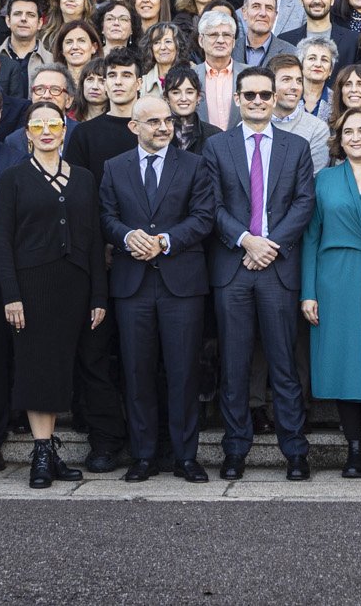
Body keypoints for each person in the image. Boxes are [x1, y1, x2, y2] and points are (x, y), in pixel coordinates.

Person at [205, 65, 316, 480]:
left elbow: (304, 203)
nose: (256, 101)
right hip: (233, 268)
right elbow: (211, 204)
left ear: (275, 99)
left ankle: (295, 451)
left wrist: (268, 245)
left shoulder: (296, 146)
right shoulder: (218, 147)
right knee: (233, 366)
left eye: (263, 95)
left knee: (284, 364)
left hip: (278, 268)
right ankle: (235, 450)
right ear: (237, 99)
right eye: (248, 95)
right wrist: (245, 240)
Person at [0, 101, 109, 488]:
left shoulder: (85, 179)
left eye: (53, 124)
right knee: (36, 366)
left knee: (63, 366)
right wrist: (11, 294)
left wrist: (98, 296)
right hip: (31, 285)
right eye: (37, 124)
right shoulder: (12, 178)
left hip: (74, 285)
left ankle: (53, 452)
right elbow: (2, 242)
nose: (45, 131)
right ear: (26, 133)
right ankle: (41, 452)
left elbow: (93, 240)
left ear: (64, 130)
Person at [100, 96, 218, 482]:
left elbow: (203, 218)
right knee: (137, 373)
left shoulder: (195, 165)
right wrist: (128, 236)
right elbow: (105, 216)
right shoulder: (114, 168)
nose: (164, 127)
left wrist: (165, 240)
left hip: (180, 285)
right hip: (132, 286)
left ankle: (185, 457)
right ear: (134, 127)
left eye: (167, 120)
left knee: (184, 373)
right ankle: (144, 455)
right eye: (153, 122)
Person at [300, 105, 361, 481]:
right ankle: (352, 449)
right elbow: (310, 237)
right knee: (344, 362)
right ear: (339, 141)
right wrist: (308, 292)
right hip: (334, 279)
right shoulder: (323, 180)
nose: (355, 137)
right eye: (347, 132)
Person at [66, 47, 145, 182]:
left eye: (126, 75)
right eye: (112, 75)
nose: (118, 82)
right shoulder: (84, 134)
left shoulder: (153, 129)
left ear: (139, 83)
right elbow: (75, 186)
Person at [267, 53, 331, 173]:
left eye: (299, 81)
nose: (295, 87)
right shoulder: (253, 124)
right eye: (286, 80)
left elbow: (311, 179)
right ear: (269, 84)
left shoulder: (317, 129)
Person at [192, 9, 240, 131]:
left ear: (233, 42)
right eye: (213, 35)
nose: (220, 40)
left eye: (227, 35)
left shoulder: (250, 75)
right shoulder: (191, 76)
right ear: (201, 40)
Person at [0, 0, 53, 88]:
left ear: (40, 23)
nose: (23, 19)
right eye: (17, 14)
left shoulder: (52, 61)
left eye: (30, 15)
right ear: (8, 21)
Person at [236, 0, 294, 68]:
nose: (263, 13)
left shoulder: (291, 53)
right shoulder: (230, 50)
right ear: (244, 13)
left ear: (275, 16)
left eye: (269, 8)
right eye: (256, 6)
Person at [294, 35, 338, 118]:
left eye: (324, 60)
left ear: (331, 70)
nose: (318, 64)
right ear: (301, 64)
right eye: (312, 58)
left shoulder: (337, 101)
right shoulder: (287, 93)